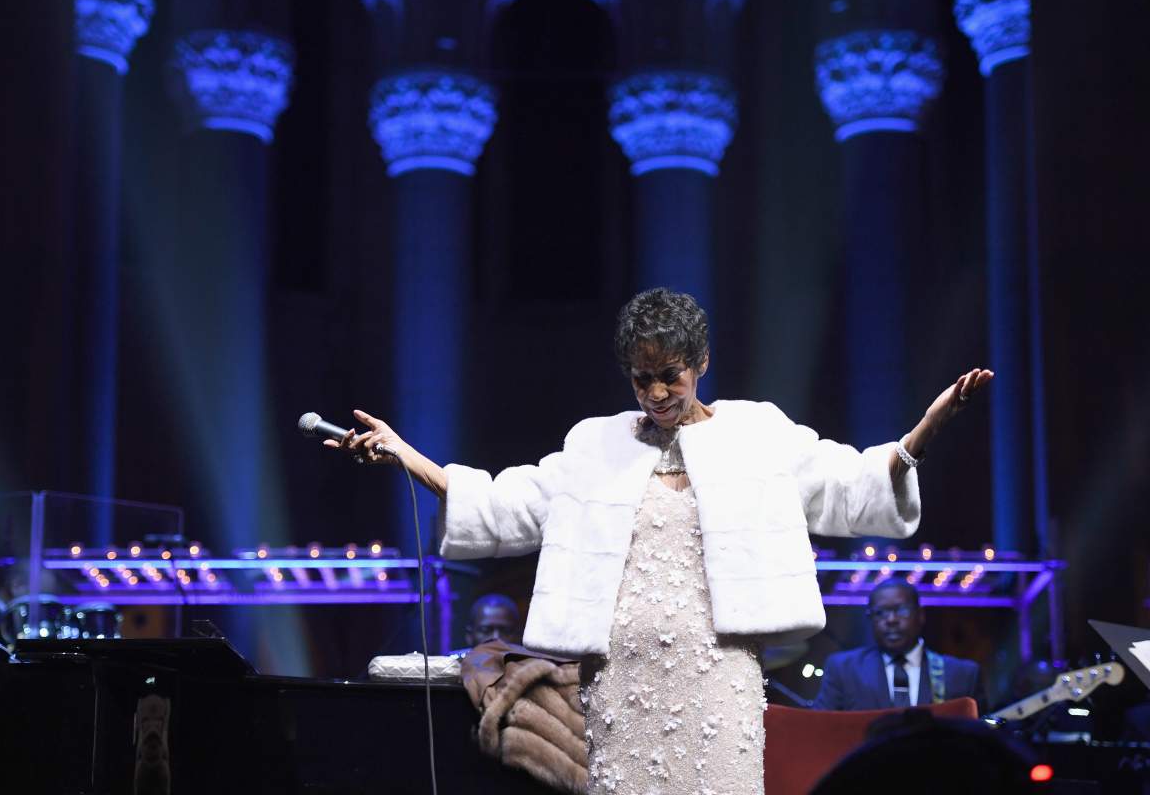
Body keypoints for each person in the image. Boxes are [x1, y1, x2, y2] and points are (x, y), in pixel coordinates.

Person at [326, 288, 992, 795]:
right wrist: (406, 457)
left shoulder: (755, 435)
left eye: (670, 374)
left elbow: (853, 485)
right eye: (642, 378)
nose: (657, 392)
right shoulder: (596, 445)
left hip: (718, 683)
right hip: (621, 687)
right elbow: (505, 505)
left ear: (700, 361)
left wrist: (921, 434)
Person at [812, 578, 986, 711]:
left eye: (901, 610)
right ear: (870, 619)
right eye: (880, 613)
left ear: (920, 615)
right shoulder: (844, 669)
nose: (891, 620)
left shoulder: (962, 674)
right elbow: (821, 727)